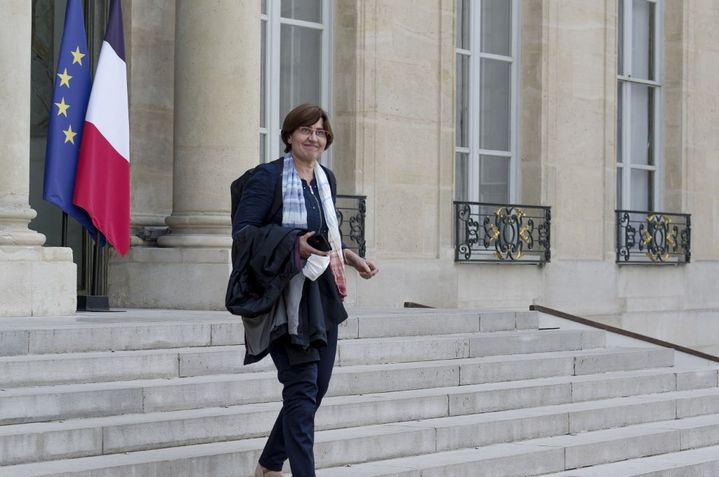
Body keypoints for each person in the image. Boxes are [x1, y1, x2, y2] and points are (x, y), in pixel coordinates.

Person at [233, 103, 378, 477]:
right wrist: (292, 245)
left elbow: (324, 236)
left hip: (321, 293)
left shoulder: (326, 179)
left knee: (319, 386)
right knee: (301, 391)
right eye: (305, 131)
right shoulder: (267, 179)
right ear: (288, 136)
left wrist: (348, 255)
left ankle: (268, 464)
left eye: (320, 132)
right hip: (284, 296)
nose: (313, 138)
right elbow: (243, 234)